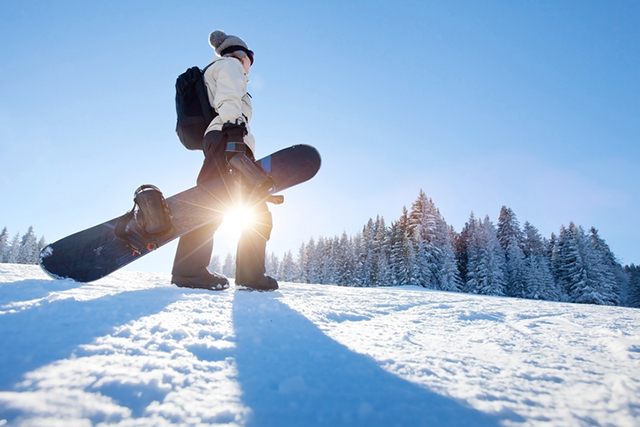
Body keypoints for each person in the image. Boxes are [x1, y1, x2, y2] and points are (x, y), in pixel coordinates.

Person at [171, 30, 278, 291]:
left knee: (246, 208)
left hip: (226, 139)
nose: (250, 64)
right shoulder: (230, 66)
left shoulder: (222, 69)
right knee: (213, 204)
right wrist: (234, 135)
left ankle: (247, 274)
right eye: (250, 57)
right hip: (228, 139)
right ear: (241, 54)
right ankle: (191, 272)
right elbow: (229, 99)